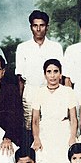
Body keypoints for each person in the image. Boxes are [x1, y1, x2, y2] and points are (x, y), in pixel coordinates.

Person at [15, 10, 63, 145]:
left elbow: (61, 75)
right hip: (30, 92)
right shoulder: (23, 48)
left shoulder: (55, 47)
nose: (38, 29)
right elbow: (20, 78)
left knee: (51, 125)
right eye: (35, 25)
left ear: (47, 27)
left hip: (51, 92)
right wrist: (20, 99)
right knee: (30, 129)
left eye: (42, 25)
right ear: (31, 27)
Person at [31, 59, 77, 163]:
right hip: (45, 130)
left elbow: (73, 118)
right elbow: (35, 120)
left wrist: (72, 137)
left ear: (61, 74)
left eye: (55, 71)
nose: (52, 75)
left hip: (63, 129)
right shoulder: (39, 92)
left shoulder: (68, 91)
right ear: (45, 74)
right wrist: (37, 138)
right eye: (49, 72)